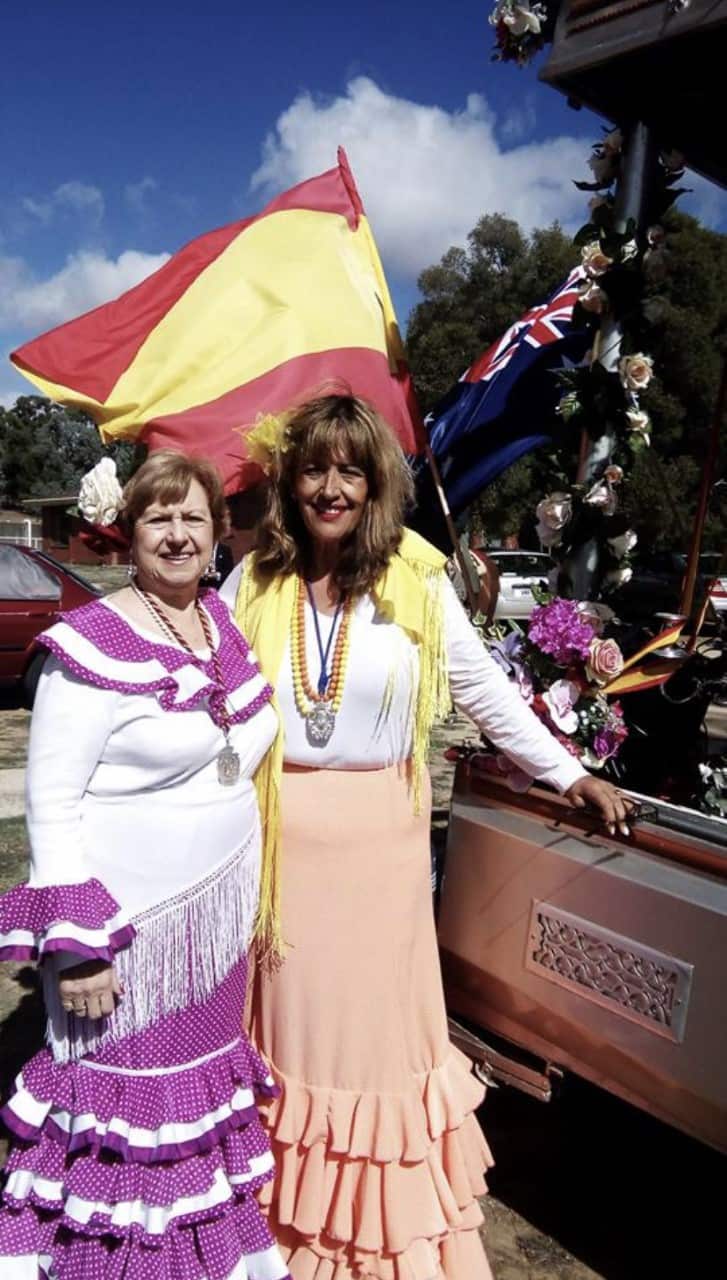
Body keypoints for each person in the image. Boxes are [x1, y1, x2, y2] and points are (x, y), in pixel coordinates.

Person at [220, 394, 631, 1280]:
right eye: (313, 469)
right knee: (289, 1040)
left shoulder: (415, 574)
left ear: (377, 483)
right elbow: (201, 692)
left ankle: (372, 1244)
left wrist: (568, 773)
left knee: (368, 1047)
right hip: (276, 857)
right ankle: (278, 1231)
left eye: (350, 470)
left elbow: (484, 693)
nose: (330, 488)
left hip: (378, 861)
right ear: (289, 482)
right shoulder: (252, 579)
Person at [0, 451, 290, 1280]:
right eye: (158, 517)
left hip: (215, 934)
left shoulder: (219, 622)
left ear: (218, 531)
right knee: (124, 1109)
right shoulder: (88, 643)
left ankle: (198, 1259)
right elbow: (50, 802)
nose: (177, 534)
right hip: (124, 940)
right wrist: (76, 950)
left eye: (193, 517)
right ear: (127, 533)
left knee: (195, 1098)